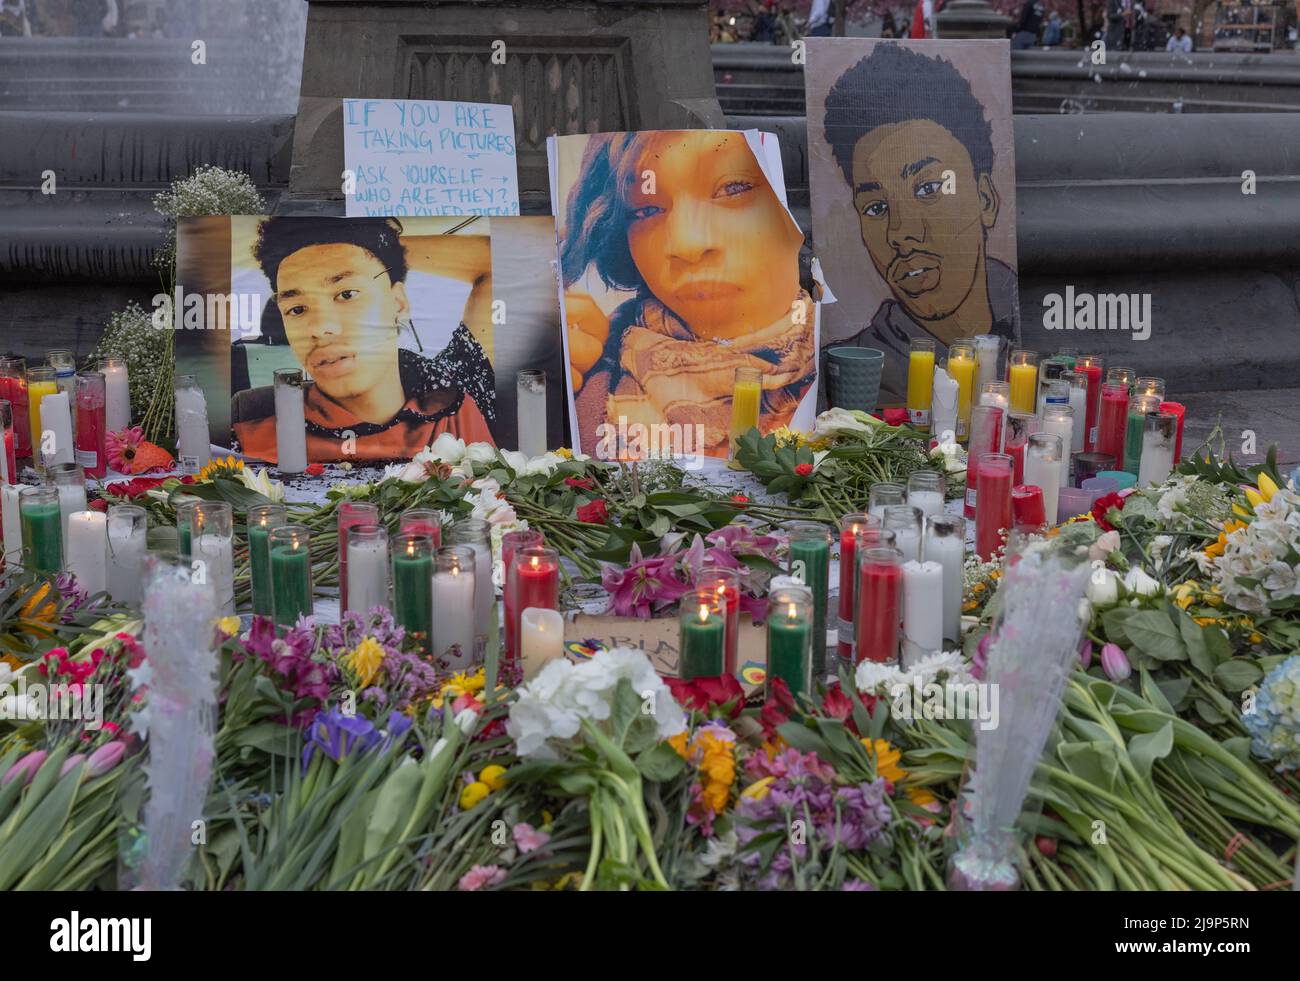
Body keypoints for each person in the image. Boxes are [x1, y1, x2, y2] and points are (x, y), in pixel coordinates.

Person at [560, 131, 813, 458]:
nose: (686, 244)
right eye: (645, 210)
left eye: (734, 188)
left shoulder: (854, 362)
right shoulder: (582, 379)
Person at [821, 44, 1020, 402]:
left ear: (986, 199)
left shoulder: (1025, 364)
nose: (901, 233)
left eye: (929, 187)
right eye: (877, 207)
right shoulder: (854, 376)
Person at [231, 217, 495, 463]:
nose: (322, 328)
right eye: (297, 309)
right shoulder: (251, 433)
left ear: (398, 303)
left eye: (347, 294)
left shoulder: (458, 390)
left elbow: (495, 259)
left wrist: (377, 244)